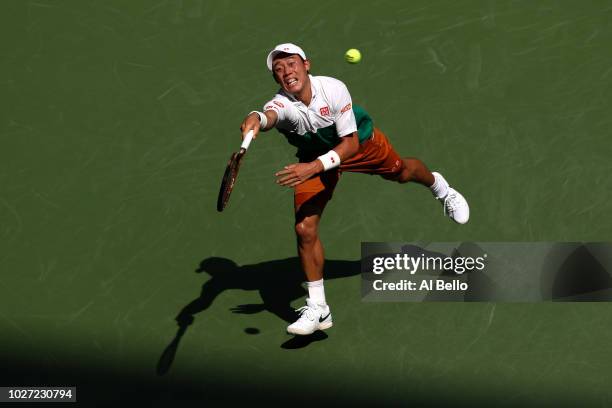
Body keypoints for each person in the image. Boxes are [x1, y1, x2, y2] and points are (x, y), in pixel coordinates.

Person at [239, 43, 469, 336]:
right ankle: (318, 307)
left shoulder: (333, 89)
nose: (286, 72)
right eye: (279, 69)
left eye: (292, 64)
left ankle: (441, 188)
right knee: (304, 228)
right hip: (314, 158)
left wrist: (313, 168)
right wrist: (256, 118)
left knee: (401, 172)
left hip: (359, 144)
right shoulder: (282, 105)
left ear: (306, 65)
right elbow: (269, 116)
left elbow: (349, 144)